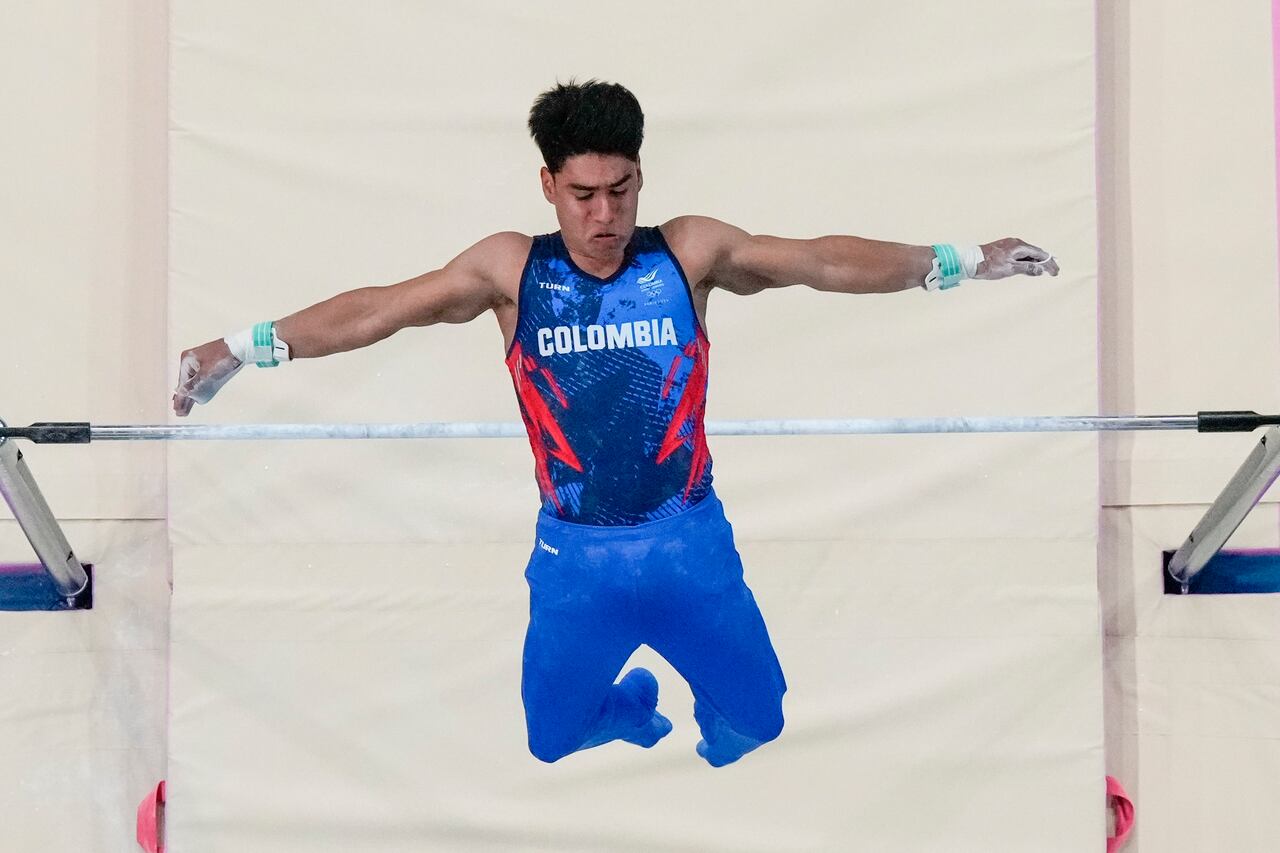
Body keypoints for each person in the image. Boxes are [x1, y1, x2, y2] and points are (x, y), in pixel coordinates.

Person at [172, 80, 1059, 767]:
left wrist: (963, 259)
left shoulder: (689, 251)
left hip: (689, 543)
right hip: (576, 561)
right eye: (584, 194)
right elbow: (381, 310)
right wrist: (246, 347)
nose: (604, 216)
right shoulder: (511, 270)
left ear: (642, 177)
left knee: (759, 720)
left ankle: (713, 717)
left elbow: (820, 260)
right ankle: (629, 710)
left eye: (622, 190)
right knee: (550, 739)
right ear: (549, 185)